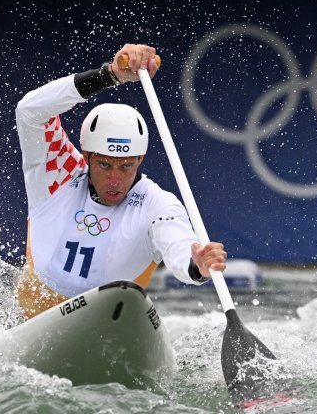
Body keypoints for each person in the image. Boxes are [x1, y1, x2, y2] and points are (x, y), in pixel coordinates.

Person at [15, 43, 227, 319]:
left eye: (126, 166)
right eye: (104, 165)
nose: (115, 179)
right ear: (87, 155)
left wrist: (196, 265)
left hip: (109, 322)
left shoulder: (156, 203)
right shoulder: (56, 176)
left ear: (140, 160)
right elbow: (30, 110)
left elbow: (177, 245)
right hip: (32, 318)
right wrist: (109, 75)